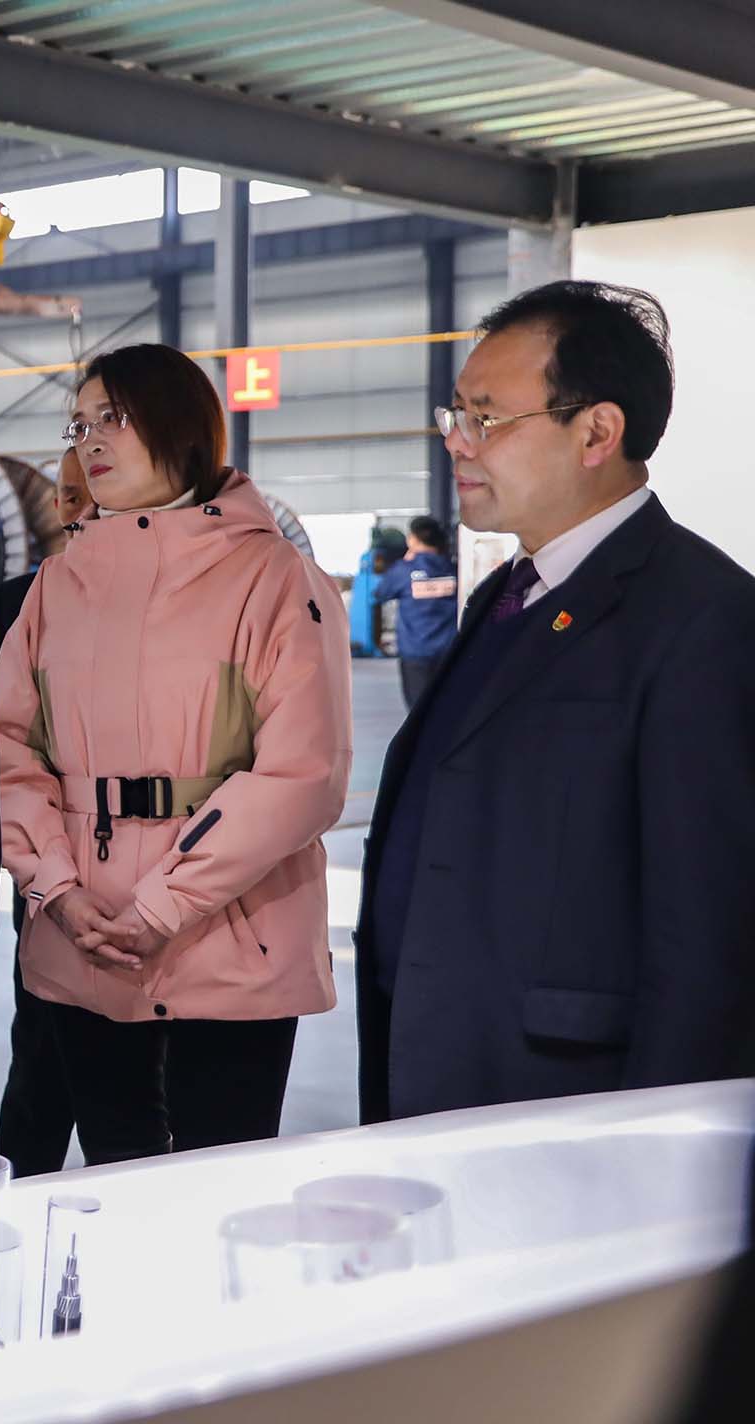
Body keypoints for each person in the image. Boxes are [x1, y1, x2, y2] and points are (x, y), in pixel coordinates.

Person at [357, 280, 755, 1124]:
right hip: (445, 1077)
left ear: (597, 434)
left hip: (567, 1105)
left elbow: (707, 941)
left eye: (487, 419)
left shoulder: (704, 620)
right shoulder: (506, 596)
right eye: (455, 415)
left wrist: (655, 1149)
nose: (457, 443)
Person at [0, 344, 351, 1164]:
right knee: (116, 1172)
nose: (90, 440)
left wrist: (162, 906)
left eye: (112, 417)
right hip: (85, 936)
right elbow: (7, 749)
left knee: (216, 1183)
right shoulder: (57, 587)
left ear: (182, 426)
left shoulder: (274, 577)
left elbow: (304, 774)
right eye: (79, 423)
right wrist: (55, 887)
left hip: (234, 938)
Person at [0, 447, 92, 1177]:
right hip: (48, 866)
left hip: (148, 875)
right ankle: (17, 1191)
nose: (79, 508)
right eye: (68, 494)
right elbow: (7, 735)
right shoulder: (24, 598)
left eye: (92, 493)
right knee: (41, 1055)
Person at [374, 514, 458, 709]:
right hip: (449, 650)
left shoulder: (404, 570)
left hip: (415, 652)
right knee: (446, 709)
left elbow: (380, 593)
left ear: (413, 539)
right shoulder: (453, 568)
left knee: (417, 711)